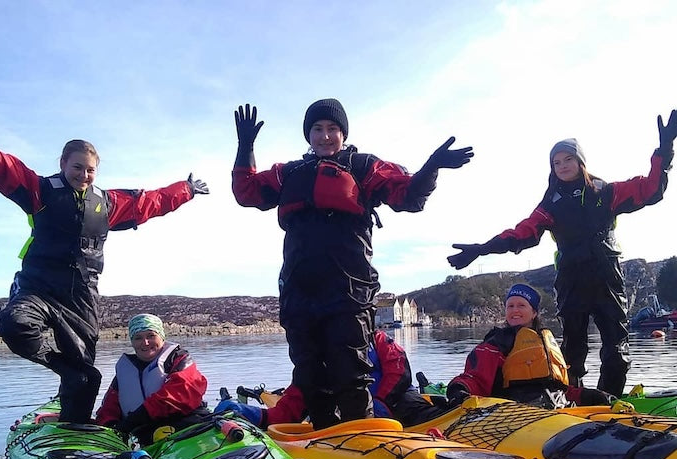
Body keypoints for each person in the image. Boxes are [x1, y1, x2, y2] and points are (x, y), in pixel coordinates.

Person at [232, 99, 473, 429]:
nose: (325, 136)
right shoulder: (289, 172)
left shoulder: (363, 167)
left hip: (348, 291)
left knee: (351, 373)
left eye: (333, 129)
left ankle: (361, 437)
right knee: (309, 376)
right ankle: (325, 439)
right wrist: (245, 146)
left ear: (343, 134)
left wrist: (431, 166)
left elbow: (409, 196)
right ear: (308, 135)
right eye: (317, 129)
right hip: (299, 292)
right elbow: (246, 191)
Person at [0, 123, 209, 422]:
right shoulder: (39, 191)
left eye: (90, 170)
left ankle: (75, 422)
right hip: (39, 287)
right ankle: (64, 368)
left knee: (85, 375)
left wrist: (186, 189)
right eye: (78, 167)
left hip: (81, 295)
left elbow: (149, 203)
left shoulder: (107, 203)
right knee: (14, 325)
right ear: (63, 164)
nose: (84, 175)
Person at [447, 110, 677, 397]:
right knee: (572, 352)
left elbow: (651, 189)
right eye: (556, 162)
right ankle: (572, 401)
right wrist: (481, 249)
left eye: (568, 159)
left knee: (616, 350)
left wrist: (665, 149)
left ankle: (610, 402)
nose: (563, 165)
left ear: (580, 161)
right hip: (572, 280)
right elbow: (522, 233)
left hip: (606, 277)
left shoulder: (605, 192)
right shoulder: (551, 205)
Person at [214, 330, 448, 428]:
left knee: (418, 410)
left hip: (398, 406)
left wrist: (380, 404)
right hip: (354, 423)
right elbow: (291, 408)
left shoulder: (377, 340)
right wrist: (253, 415)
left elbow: (400, 373)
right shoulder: (314, 362)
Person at [446, 283, 617, 409]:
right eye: (510, 306)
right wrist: (460, 389)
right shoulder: (494, 344)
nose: (514, 311)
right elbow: (476, 378)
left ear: (534, 312)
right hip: (512, 412)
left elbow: (558, 388)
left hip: (558, 408)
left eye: (521, 305)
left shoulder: (546, 343)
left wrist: (586, 395)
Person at [96, 314, 208, 444]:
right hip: (142, 433)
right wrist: (112, 427)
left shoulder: (179, 359)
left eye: (151, 336)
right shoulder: (125, 370)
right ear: (132, 341)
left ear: (161, 337)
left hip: (183, 426)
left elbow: (182, 393)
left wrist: (136, 419)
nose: (145, 343)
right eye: (138, 338)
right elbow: (108, 409)